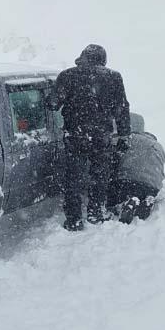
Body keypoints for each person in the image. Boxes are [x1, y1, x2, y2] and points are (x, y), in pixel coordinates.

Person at [52, 44, 131, 231]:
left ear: (83, 57)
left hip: (75, 135)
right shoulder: (113, 77)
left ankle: (74, 220)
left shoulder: (67, 75)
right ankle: (95, 213)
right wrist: (124, 135)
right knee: (100, 177)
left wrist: (54, 98)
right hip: (101, 137)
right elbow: (122, 108)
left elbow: (54, 103)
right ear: (103, 59)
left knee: (73, 179)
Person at [108, 114, 165, 223]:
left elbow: (112, 165)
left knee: (112, 199)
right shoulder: (158, 147)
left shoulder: (124, 141)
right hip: (151, 186)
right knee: (144, 191)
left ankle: (124, 204)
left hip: (126, 183)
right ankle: (147, 200)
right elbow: (161, 175)